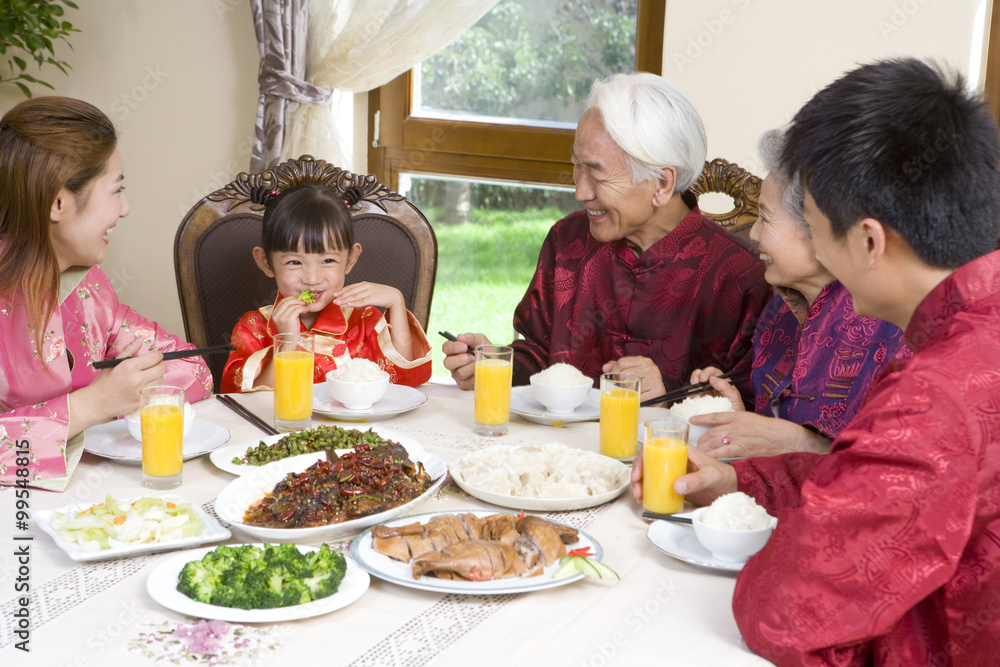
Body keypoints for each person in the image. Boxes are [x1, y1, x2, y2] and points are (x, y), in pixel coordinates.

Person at [635, 59, 1000, 664]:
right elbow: (870, 486)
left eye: (813, 217)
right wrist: (740, 480)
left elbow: (785, 614)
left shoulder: (940, 394)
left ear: (867, 241)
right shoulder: (968, 337)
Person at [443, 72, 770, 401]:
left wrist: (672, 393)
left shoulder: (741, 278)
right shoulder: (567, 241)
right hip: (557, 449)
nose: (580, 191)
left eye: (597, 174)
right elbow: (541, 357)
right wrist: (494, 365)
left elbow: (751, 410)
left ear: (662, 183)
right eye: (576, 166)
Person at [0, 97, 213, 491]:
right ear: (58, 202)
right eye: (116, 190)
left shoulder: (88, 287)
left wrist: (133, 384)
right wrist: (94, 404)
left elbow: (196, 369)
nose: (126, 208)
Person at [686, 130, 910, 459]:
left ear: (819, 229)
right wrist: (738, 411)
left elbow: (900, 469)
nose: (753, 233)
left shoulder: (896, 327)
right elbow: (769, 424)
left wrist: (807, 443)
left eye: (765, 217)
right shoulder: (781, 307)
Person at [221, 184, 432, 393]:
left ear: (350, 259)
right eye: (295, 262)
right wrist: (288, 343)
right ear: (266, 263)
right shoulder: (253, 328)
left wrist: (396, 300)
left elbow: (404, 383)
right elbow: (247, 403)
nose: (312, 279)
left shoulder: (365, 320)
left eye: (328, 260)